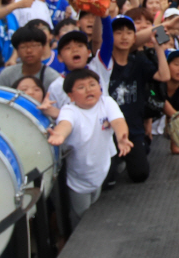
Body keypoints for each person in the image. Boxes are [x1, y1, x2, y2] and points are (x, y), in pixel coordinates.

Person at [47, 67, 132, 229]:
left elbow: (118, 121)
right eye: (81, 87)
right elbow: (65, 124)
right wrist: (59, 134)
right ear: (70, 96)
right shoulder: (69, 110)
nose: (88, 90)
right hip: (78, 177)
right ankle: (75, 240)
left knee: (93, 205)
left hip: (100, 170)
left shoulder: (106, 102)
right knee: (81, 214)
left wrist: (122, 137)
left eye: (92, 84)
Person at [107, 15, 171, 183]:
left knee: (140, 174)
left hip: (133, 128)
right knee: (108, 181)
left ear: (134, 38)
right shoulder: (103, 63)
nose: (124, 36)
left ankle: (135, 151)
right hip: (108, 131)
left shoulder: (138, 62)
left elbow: (164, 76)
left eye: (129, 32)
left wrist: (159, 49)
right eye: (118, 32)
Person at [0, 25, 59, 92]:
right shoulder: (7, 75)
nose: (29, 51)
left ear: (43, 48)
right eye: (23, 47)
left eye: (34, 46)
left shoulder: (53, 78)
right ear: (17, 51)